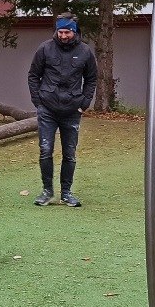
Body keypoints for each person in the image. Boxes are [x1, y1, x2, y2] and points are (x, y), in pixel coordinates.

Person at [27, 13, 97, 207]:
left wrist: (84, 103)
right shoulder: (45, 48)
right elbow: (33, 75)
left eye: (67, 32)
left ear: (74, 31)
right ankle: (47, 191)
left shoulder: (85, 51)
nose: (63, 36)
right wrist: (38, 101)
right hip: (47, 108)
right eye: (60, 32)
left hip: (72, 109)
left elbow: (91, 78)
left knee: (69, 153)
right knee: (45, 149)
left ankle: (66, 192)